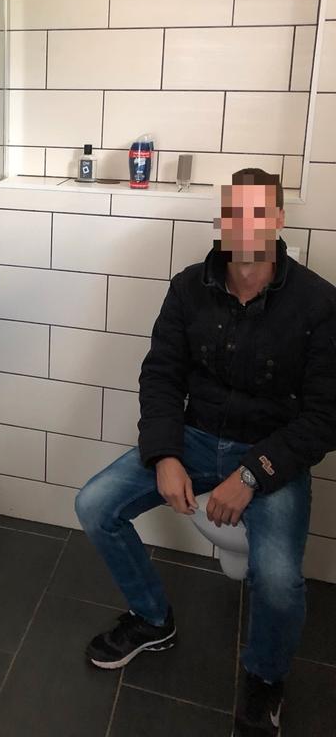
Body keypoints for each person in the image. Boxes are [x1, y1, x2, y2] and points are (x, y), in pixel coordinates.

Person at [74, 168, 336, 737]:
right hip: (192, 439)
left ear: (278, 219)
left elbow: (324, 417)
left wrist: (253, 473)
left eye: (258, 214)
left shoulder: (318, 303)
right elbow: (161, 376)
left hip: (270, 454)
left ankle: (265, 676)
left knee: (278, 580)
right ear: (222, 219)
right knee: (94, 505)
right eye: (234, 213)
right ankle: (152, 619)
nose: (245, 227)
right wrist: (165, 454)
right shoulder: (189, 287)